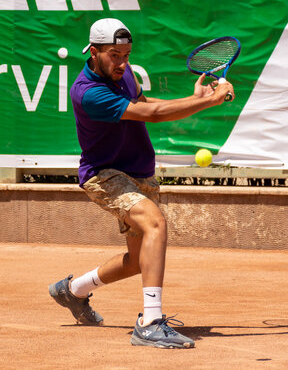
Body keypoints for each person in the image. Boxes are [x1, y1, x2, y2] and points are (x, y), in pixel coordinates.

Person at [48, 18, 235, 349]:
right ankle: (150, 323)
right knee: (155, 224)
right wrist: (209, 101)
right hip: (104, 175)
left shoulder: (124, 73)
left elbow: (146, 105)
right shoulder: (88, 93)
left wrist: (194, 99)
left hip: (140, 172)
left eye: (126, 54)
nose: (122, 62)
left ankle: (73, 290)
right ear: (93, 53)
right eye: (113, 55)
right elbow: (154, 115)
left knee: (139, 261)